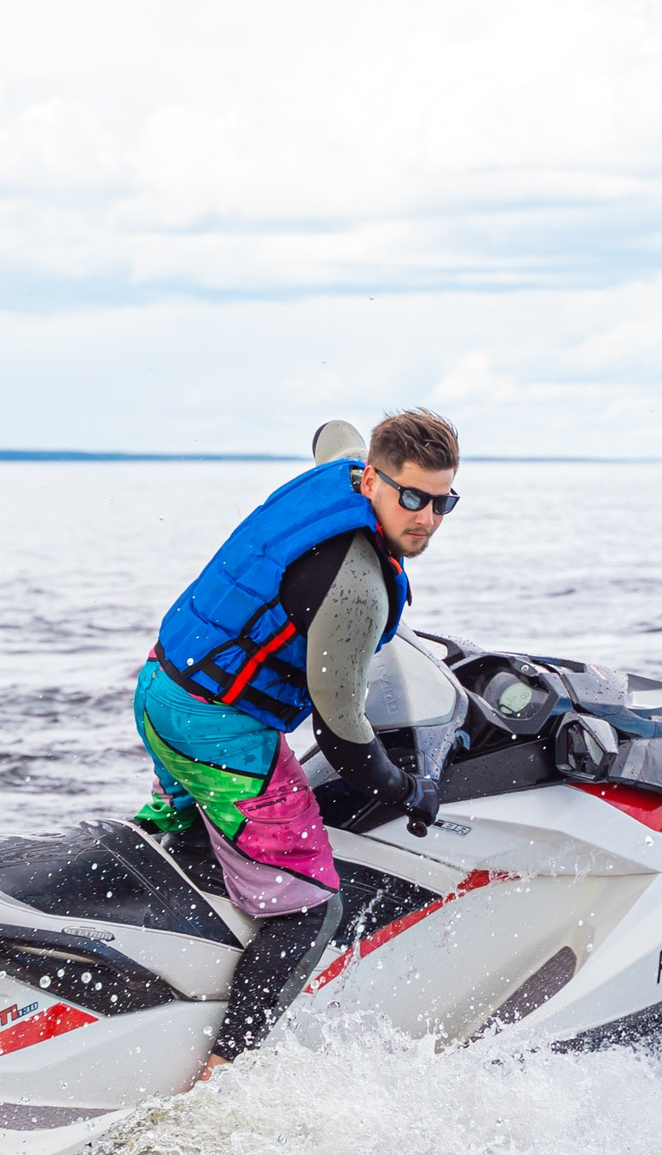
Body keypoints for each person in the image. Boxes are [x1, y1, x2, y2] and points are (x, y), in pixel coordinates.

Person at [135, 408, 463, 1077]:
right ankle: (224, 1071)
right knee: (313, 907)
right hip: (217, 736)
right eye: (412, 498)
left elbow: (331, 430)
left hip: (160, 690)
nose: (426, 518)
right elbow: (339, 736)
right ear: (373, 478)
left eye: (442, 501)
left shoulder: (343, 472)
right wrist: (408, 790)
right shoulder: (356, 591)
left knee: (188, 840)